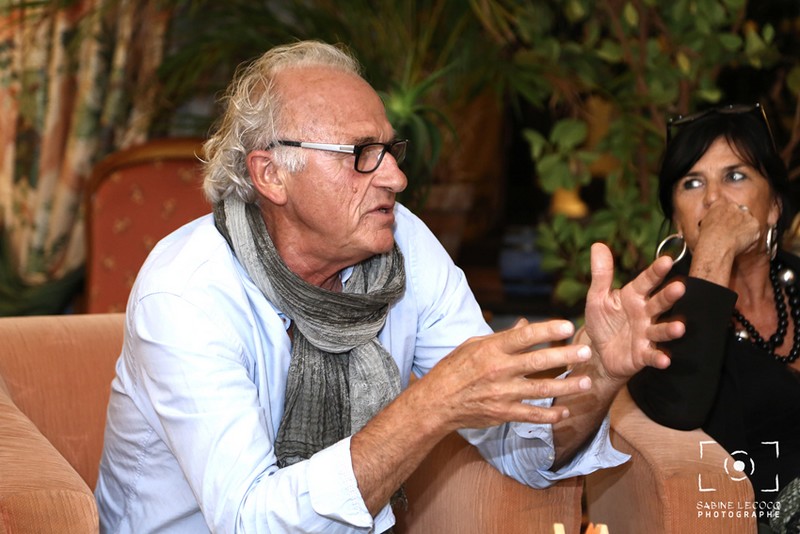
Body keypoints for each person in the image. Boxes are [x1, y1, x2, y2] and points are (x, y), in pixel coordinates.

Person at [94, 41, 685, 533]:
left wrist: (599, 375)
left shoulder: (405, 248)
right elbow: (251, 522)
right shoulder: (187, 294)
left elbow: (520, 445)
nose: (396, 178)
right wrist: (429, 405)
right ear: (271, 174)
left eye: (389, 150)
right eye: (361, 154)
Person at [627, 103, 800, 526]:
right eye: (692, 183)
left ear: (774, 206)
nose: (713, 198)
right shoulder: (656, 311)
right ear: (677, 220)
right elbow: (679, 408)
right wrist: (715, 253)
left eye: (735, 176)